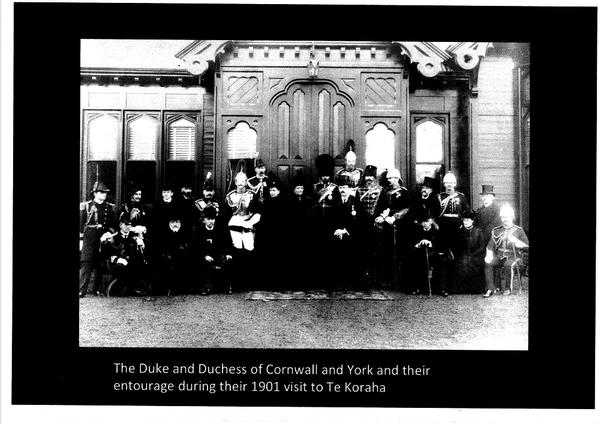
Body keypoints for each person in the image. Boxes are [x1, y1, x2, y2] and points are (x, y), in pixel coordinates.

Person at [373, 168, 411, 288]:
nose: (390, 180)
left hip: (400, 226)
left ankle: (399, 280)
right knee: (386, 250)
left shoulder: (404, 192)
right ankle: (386, 279)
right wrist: (381, 216)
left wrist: (395, 217)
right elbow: (381, 206)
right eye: (388, 178)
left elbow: (407, 208)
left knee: (399, 251)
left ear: (397, 179)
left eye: (392, 178)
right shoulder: (385, 191)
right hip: (386, 225)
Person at [225, 170, 261, 290]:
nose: (241, 183)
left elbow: (257, 212)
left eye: (243, 180)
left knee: (250, 251)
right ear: (235, 182)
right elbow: (227, 215)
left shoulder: (252, 194)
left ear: (246, 182)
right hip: (235, 227)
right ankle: (236, 283)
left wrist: (250, 223)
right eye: (238, 180)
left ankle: (249, 282)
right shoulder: (229, 196)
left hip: (248, 226)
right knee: (237, 252)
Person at [79, 181, 117, 297]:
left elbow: (112, 225)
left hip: (102, 239)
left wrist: (108, 234)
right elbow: (81, 225)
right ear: (95, 193)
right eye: (101, 192)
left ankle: (96, 289)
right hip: (89, 239)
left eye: (105, 193)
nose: (104, 195)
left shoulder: (108, 207)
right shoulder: (86, 206)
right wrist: (80, 240)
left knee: (100, 264)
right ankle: (82, 290)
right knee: (87, 264)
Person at [483, 205, 529, 297]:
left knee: (508, 265)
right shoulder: (496, 230)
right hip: (499, 256)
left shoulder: (519, 231)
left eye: (507, 216)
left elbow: (527, 246)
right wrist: (489, 255)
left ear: (512, 217)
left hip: (514, 256)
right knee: (488, 263)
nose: (505, 219)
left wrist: (516, 242)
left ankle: (508, 288)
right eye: (503, 217)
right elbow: (490, 245)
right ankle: (491, 288)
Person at [331, 174, 366, 289]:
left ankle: (351, 282)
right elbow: (331, 219)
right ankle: (338, 282)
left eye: (344, 187)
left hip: (351, 234)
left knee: (351, 255)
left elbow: (359, 221)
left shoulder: (355, 202)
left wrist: (344, 231)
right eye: (340, 188)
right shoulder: (335, 202)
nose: (342, 190)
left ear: (349, 189)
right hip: (337, 234)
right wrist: (336, 230)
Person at [103, 215, 151, 296]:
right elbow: (110, 252)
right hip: (117, 262)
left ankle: (133, 289)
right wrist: (119, 259)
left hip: (132, 261)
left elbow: (141, 251)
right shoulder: (114, 237)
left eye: (129, 225)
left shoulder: (134, 237)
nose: (127, 227)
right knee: (121, 268)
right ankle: (123, 290)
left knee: (139, 267)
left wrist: (142, 244)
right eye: (125, 225)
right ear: (120, 225)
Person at [255, 178, 289, 289]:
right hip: (268, 234)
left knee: (279, 259)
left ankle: (280, 283)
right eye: (270, 190)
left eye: (274, 190)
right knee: (268, 258)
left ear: (278, 191)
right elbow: (263, 218)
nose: (272, 192)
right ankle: (268, 283)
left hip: (280, 235)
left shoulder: (284, 202)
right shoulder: (266, 202)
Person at [313, 154, 341, 283]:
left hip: (330, 220)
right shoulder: (314, 187)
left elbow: (337, 205)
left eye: (327, 176)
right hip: (317, 220)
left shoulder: (335, 188)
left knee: (330, 248)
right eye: (323, 176)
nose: (325, 178)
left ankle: (330, 276)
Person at [193, 206, 233, 295]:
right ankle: (206, 287)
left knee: (228, 260)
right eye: (208, 219)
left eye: (212, 219)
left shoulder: (222, 229)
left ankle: (227, 286)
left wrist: (228, 254)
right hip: (206, 255)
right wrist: (204, 255)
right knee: (202, 262)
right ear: (204, 220)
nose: (211, 221)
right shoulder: (199, 230)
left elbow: (228, 242)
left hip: (219, 254)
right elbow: (196, 247)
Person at [357, 165, 383, 284]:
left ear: (375, 177)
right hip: (362, 224)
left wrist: (380, 217)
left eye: (371, 176)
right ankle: (363, 275)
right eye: (367, 176)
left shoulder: (381, 190)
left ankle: (375, 275)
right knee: (362, 249)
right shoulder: (359, 190)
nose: (369, 178)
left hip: (375, 224)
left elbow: (384, 206)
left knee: (375, 249)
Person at [288, 175, 315, 289]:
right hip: (294, 232)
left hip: (305, 232)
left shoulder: (308, 200)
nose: (300, 190)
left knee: (305, 256)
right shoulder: (289, 200)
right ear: (293, 189)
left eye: (301, 188)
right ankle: (294, 282)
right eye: (297, 188)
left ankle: (305, 282)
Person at [407, 211, 443, 296]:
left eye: (427, 221)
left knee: (439, 264)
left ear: (431, 222)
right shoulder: (417, 231)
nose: (425, 224)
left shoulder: (436, 231)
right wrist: (418, 244)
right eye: (423, 222)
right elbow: (411, 243)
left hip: (433, 254)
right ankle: (418, 287)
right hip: (419, 253)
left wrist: (430, 244)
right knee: (415, 263)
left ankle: (440, 288)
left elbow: (440, 244)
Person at [156, 215, 192, 296]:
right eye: (172, 222)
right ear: (169, 223)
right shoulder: (163, 234)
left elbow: (188, 248)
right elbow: (161, 249)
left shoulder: (185, 234)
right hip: (168, 260)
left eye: (177, 222)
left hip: (182, 258)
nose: (175, 224)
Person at [452, 210, 486, 294]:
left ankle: (474, 289)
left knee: (474, 264)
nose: (465, 222)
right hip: (463, 254)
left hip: (476, 254)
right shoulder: (459, 231)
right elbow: (456, 245)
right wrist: (462, 254)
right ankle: (462, 289)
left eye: (467, 220)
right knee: (462, 264)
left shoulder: (478, 231)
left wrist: (473, 254)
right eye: (464, 220)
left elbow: (482, 247)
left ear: (472, 221)